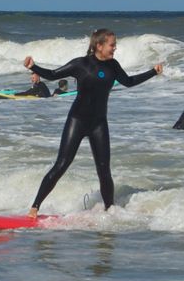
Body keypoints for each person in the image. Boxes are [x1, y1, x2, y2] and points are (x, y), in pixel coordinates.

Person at [23, 28, 164, 218]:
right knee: (62, 164)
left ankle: (110, 210)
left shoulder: (113, 66)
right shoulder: (81, 64)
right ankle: (34, 207)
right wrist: (33, 67)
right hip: (77, 120)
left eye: (115, 45)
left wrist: (153, 72)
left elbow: (129, 81)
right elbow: (53, 74)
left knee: (104, 170)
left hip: (99, 124)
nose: (115, 48)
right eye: (112, 45)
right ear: (99, 45)